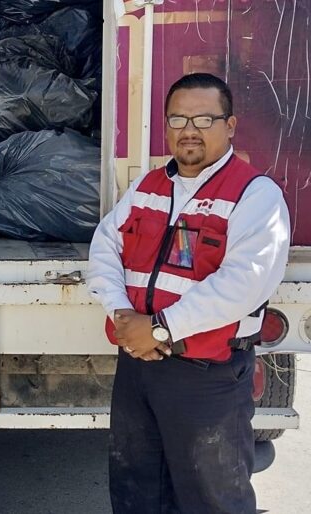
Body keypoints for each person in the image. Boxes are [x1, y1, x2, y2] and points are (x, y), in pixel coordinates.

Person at [87, 73, 290, 513]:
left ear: (230, 125)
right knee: (136, 490)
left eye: (204, 118)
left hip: (206, 376)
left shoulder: (255, 195)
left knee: (211, 499)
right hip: (139, 368)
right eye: (178, 119)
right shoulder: (148, 187)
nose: (189, 130)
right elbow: (105, 247)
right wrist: (124, 316)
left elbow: (244, 283)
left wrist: (160, 329)